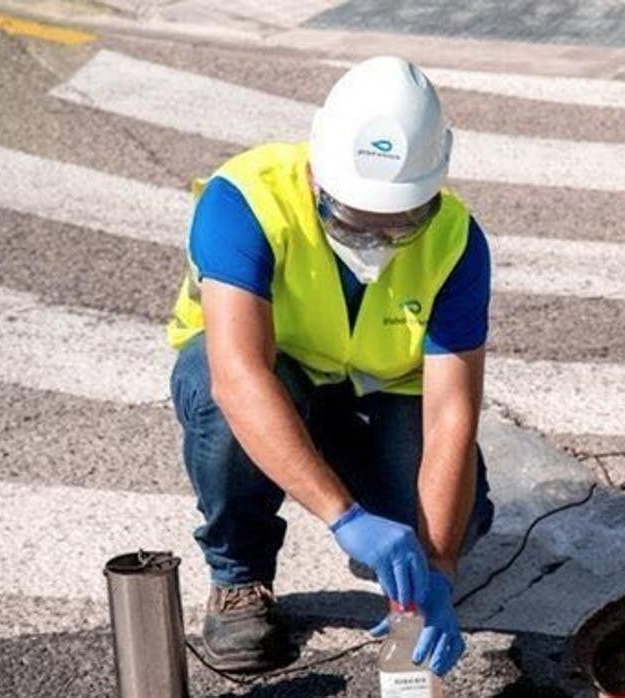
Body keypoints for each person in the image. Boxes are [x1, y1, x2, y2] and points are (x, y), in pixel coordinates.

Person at [166, 55, 494, 678]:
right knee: (215, 390)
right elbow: (238, 374)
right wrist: (345, 518)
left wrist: (439, 567)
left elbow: (452, 414)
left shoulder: (455, 240)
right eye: (353, 216)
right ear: (316, 172)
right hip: (271, 384)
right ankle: (240, 574)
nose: (375, 238)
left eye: (400, 222)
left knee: (455, 526)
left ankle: (373, 500)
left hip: (379, 397)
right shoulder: (246, 200)